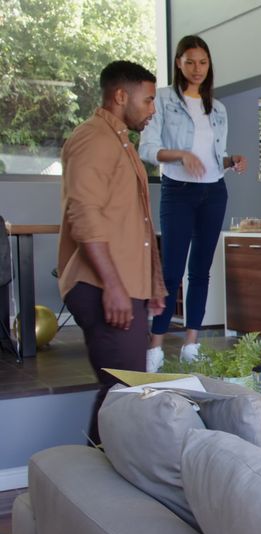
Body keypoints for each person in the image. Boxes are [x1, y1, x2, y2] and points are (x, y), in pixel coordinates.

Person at [58, 60, 166, 446]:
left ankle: (100, 485)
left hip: (123, 285)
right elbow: (84, 216)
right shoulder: (93, 139)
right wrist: (115, 288)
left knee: (124, 392)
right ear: (121, 96)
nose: (153, 110)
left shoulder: (121, 142)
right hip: (102, 285)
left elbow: (135, 226)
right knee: (122, 391)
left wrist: (152, 285)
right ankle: (93, 488)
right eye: (149, 100)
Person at [139, 35, 246, 372]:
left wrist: (231, 161)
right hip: (178, 191)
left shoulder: (219, 107)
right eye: (190, 62)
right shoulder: (162, 100)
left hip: (214, 192)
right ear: (178, 63)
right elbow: (147, 149)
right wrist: (181, 155)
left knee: (200, 272)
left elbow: (213, 157)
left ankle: (191, 344)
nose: (197, 69)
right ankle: (154, 345)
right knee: (171, 272)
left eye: (203, 62)